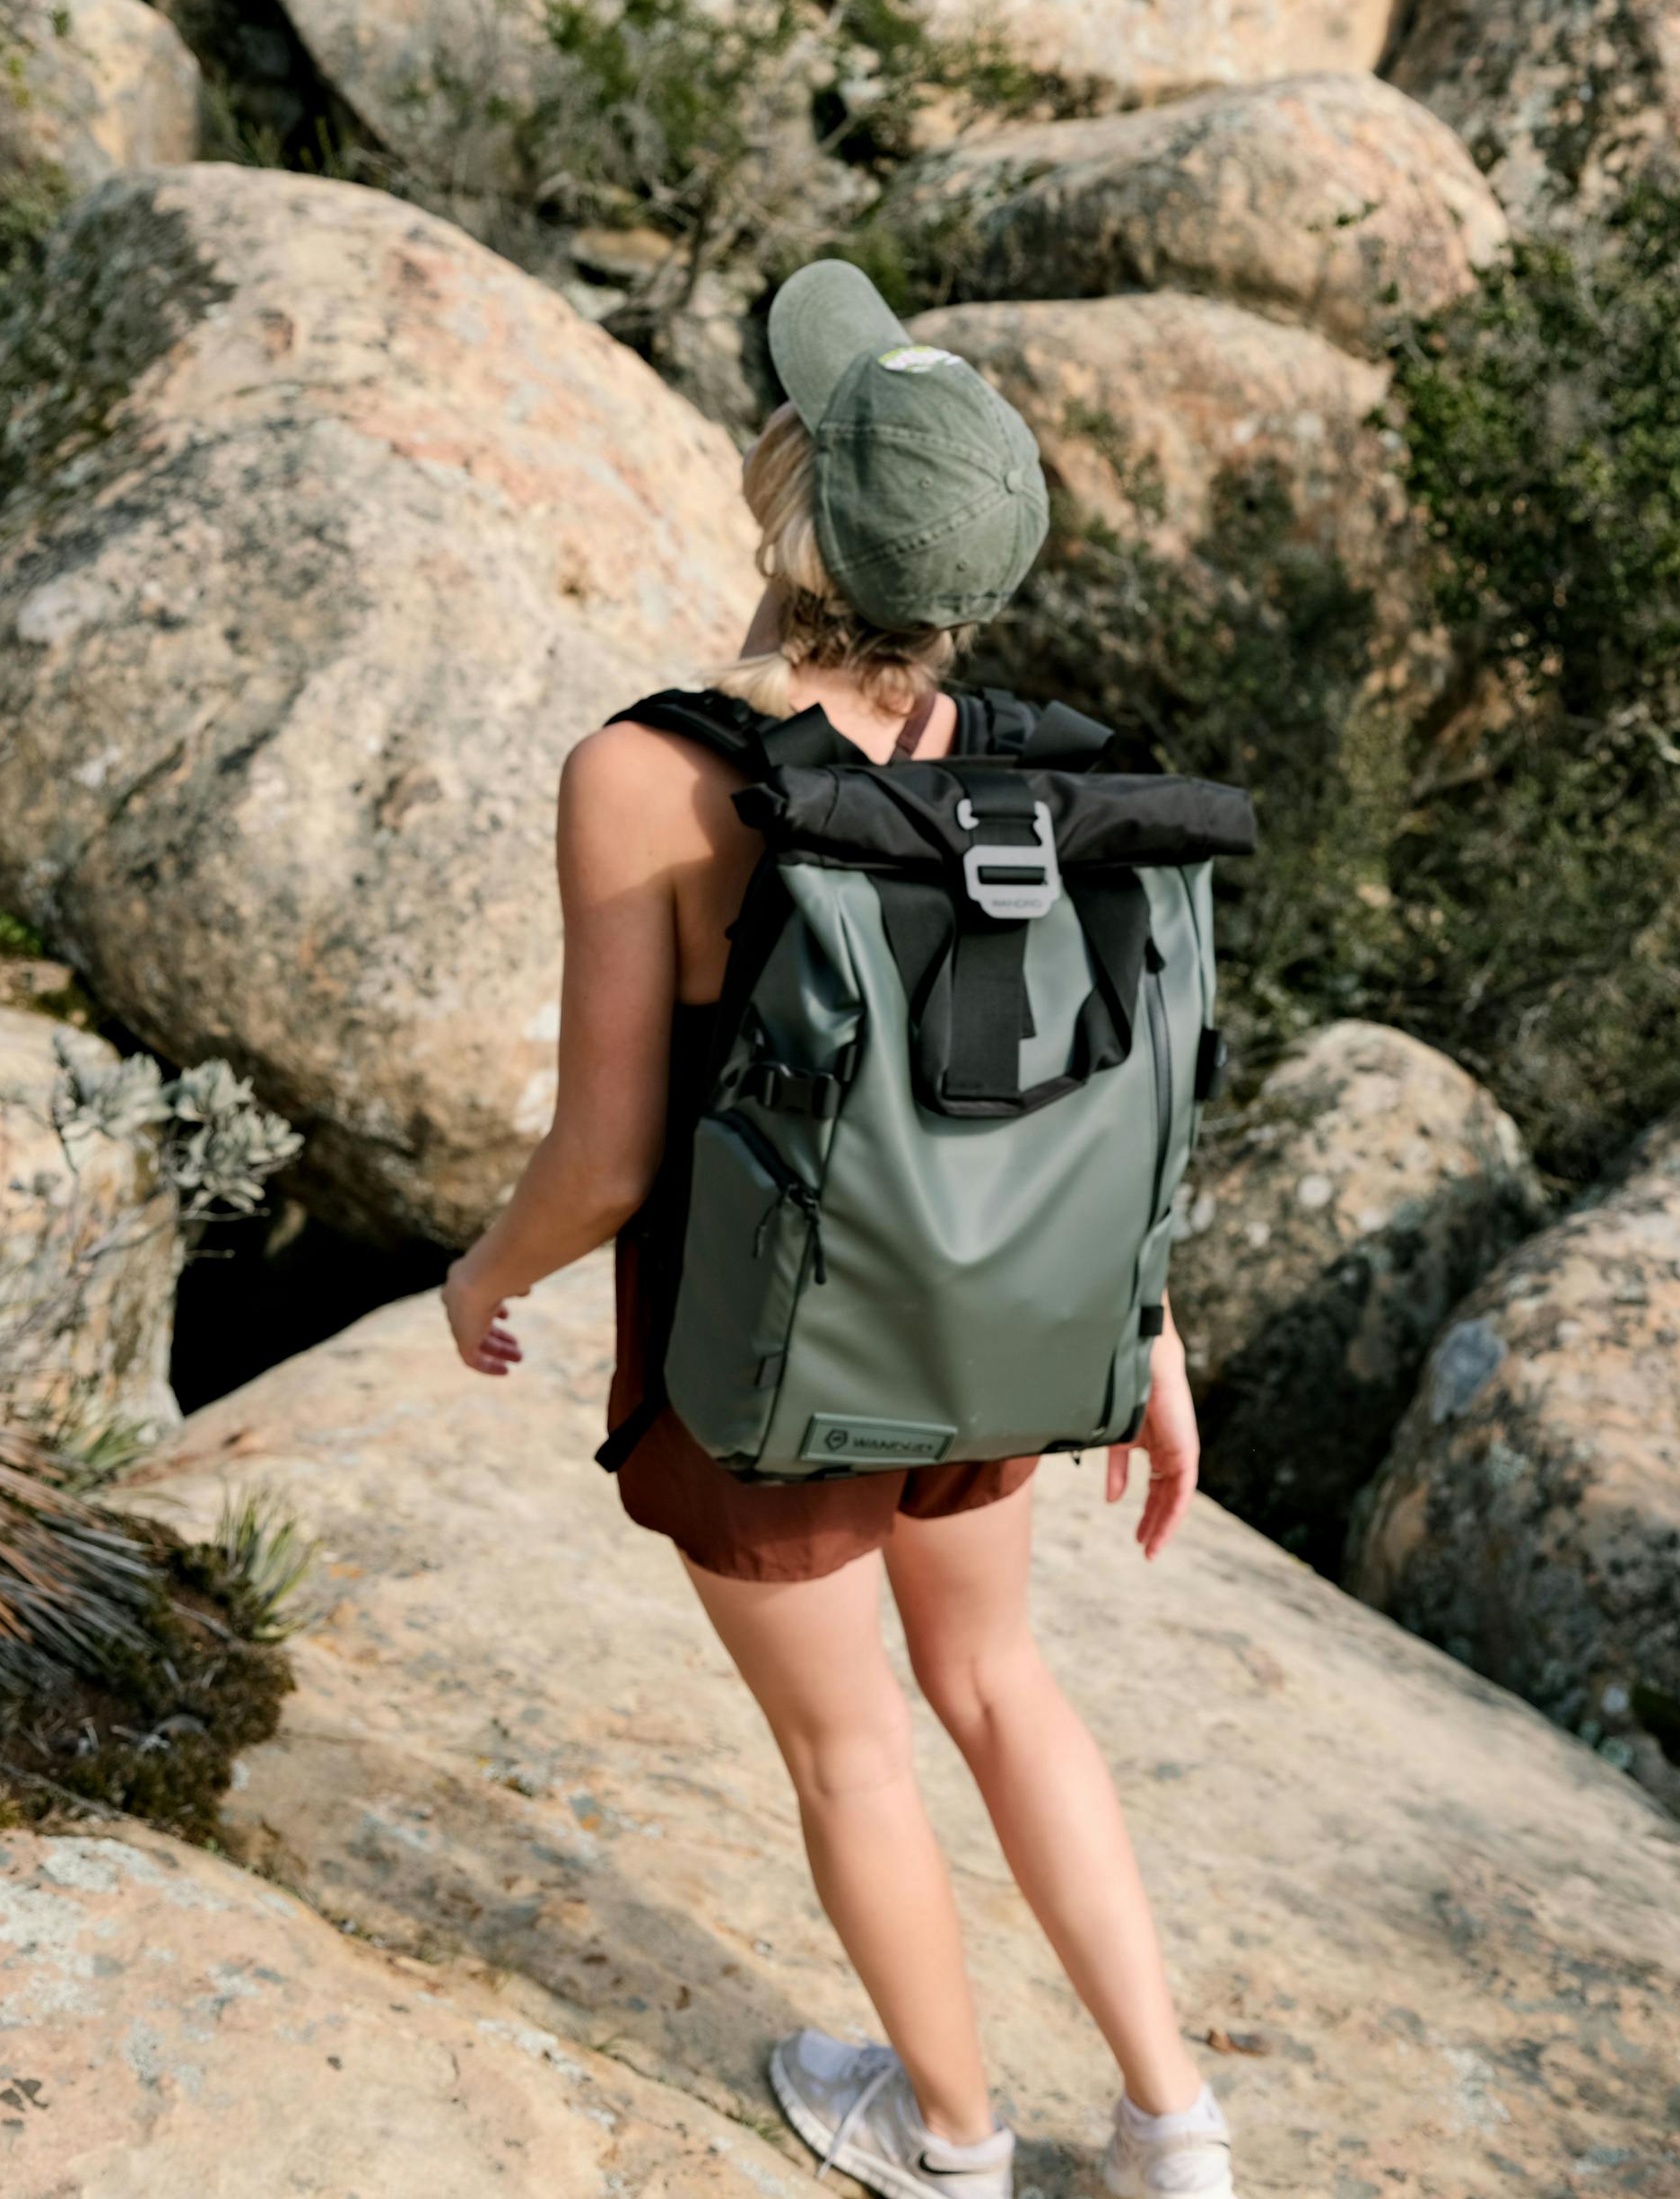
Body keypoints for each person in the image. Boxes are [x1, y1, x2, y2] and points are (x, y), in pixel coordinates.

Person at [439, 261, 1240, 2199]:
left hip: (765, 1363)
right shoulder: (1034, 778)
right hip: (997, 1330)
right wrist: (1142, 1338)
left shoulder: (652, 776)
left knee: (854, 1754)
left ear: (784, 495)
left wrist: (487, 1276)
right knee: (1000, 1689)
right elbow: (1086, 1094)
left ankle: (950, 2138)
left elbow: (612, 1162)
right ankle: (1173, 2127)